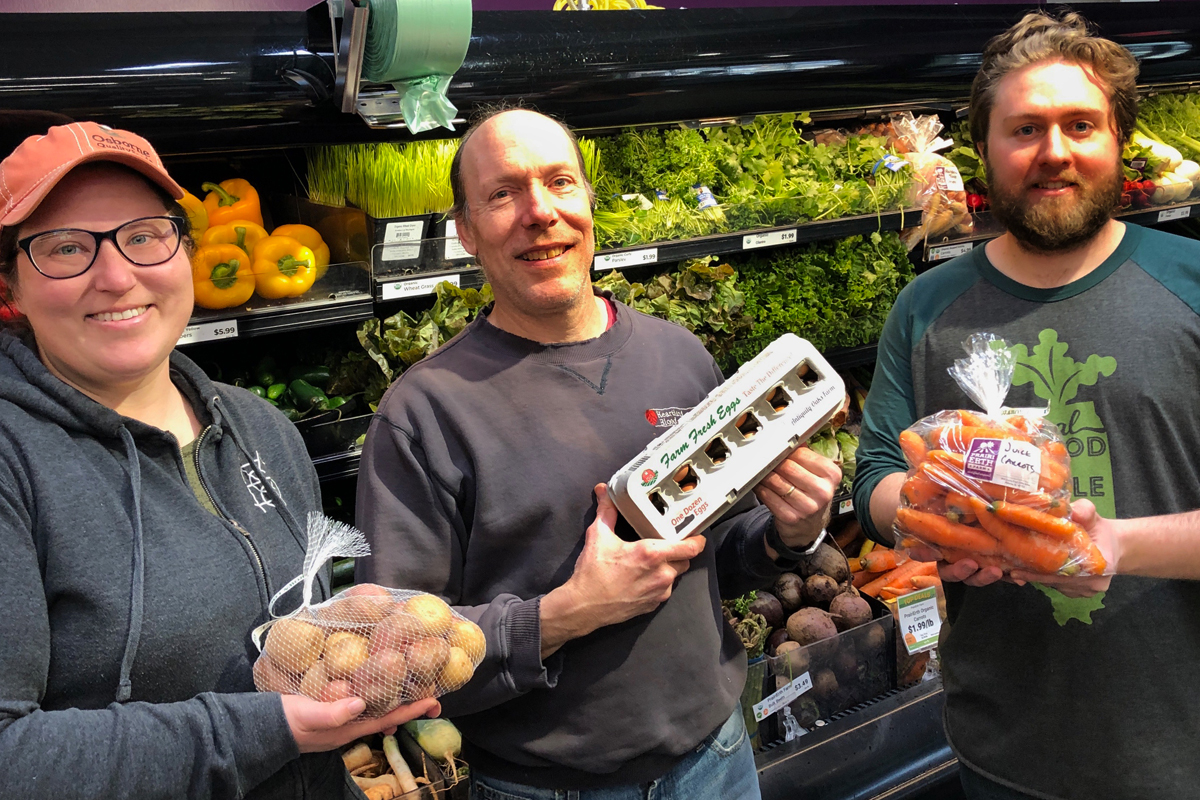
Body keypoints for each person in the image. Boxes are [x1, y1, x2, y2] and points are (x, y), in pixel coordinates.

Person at [355, 107, 842, 799]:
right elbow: (397, 655)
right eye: (502, 194)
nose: (539, 212)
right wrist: (566, 614)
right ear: (464, 231)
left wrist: (786, 535)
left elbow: (715, 565)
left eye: (559, 182)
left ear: (589, 202)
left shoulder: (678, 354)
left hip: (717, 761)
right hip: (544, 788)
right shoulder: (423, 413)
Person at [0, 121, 438, 799]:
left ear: (182, 249)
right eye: (65, 249)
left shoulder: (258, 427)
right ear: (12, 287)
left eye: (143, 235)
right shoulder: (13, 461)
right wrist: (269, 729)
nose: (117, 276)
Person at [853, 11, 1200, 800]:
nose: (1054, 152)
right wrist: (924, 508)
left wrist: (1114, 545)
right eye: (1025, 129)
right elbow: (874, 471)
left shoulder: (1192, 284)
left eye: (1080, 124)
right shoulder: (928, 306)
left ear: (1119, 138)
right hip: (1006, 754)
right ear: (985, 149)